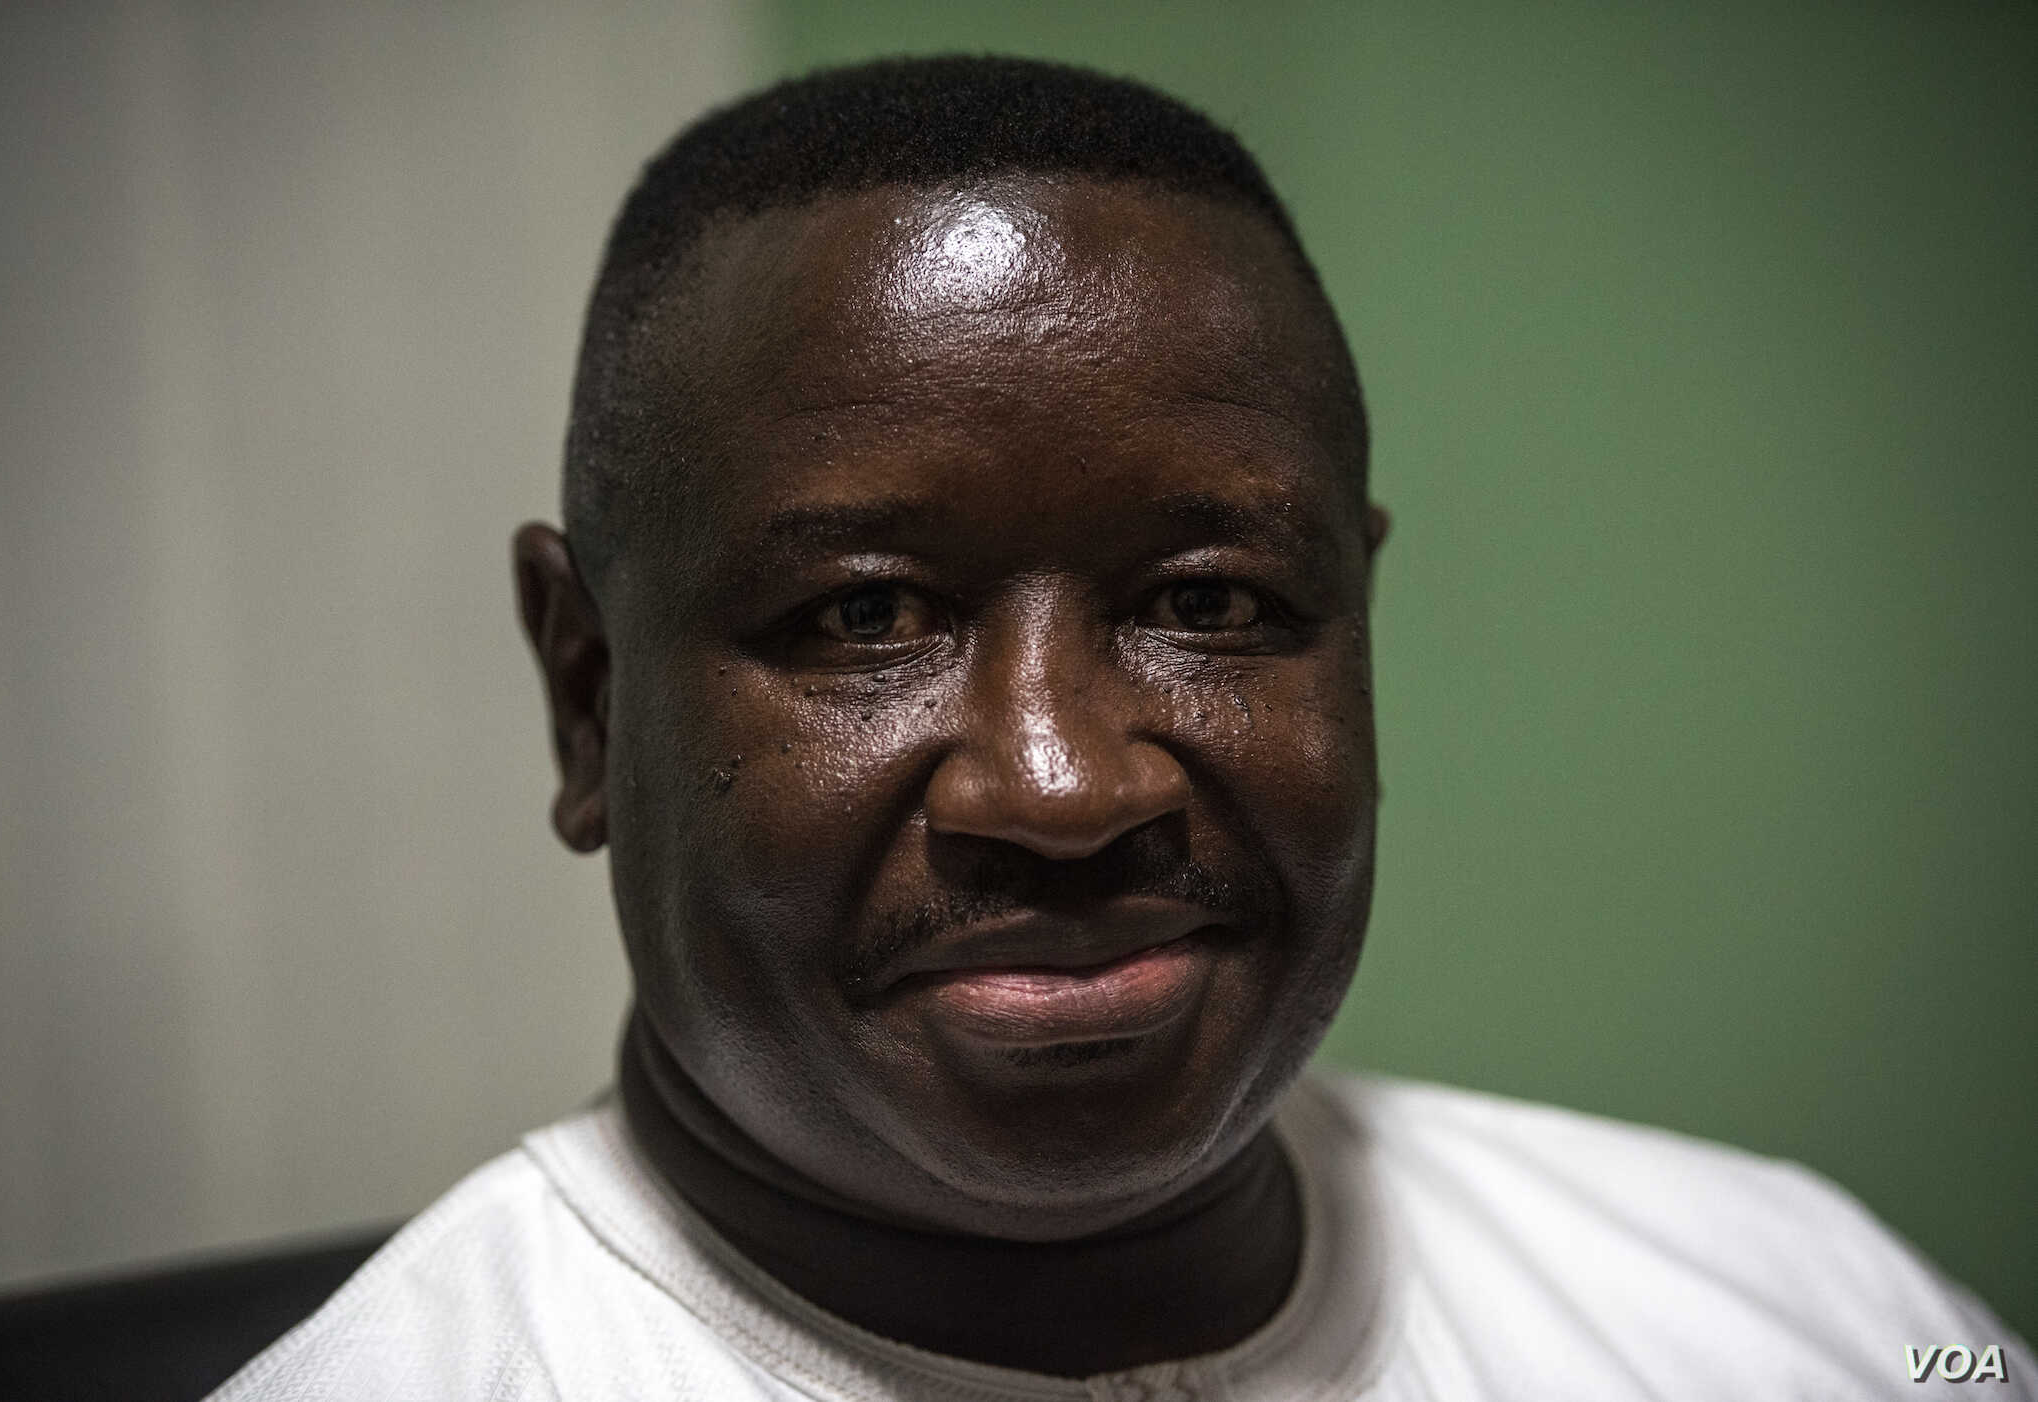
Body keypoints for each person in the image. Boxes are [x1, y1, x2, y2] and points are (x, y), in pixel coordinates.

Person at [210, 56, 2030, 1401]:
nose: (1064, 784)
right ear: (589, 694)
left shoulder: (1813, 1313)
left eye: (1212, 602)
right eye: (865, 616)